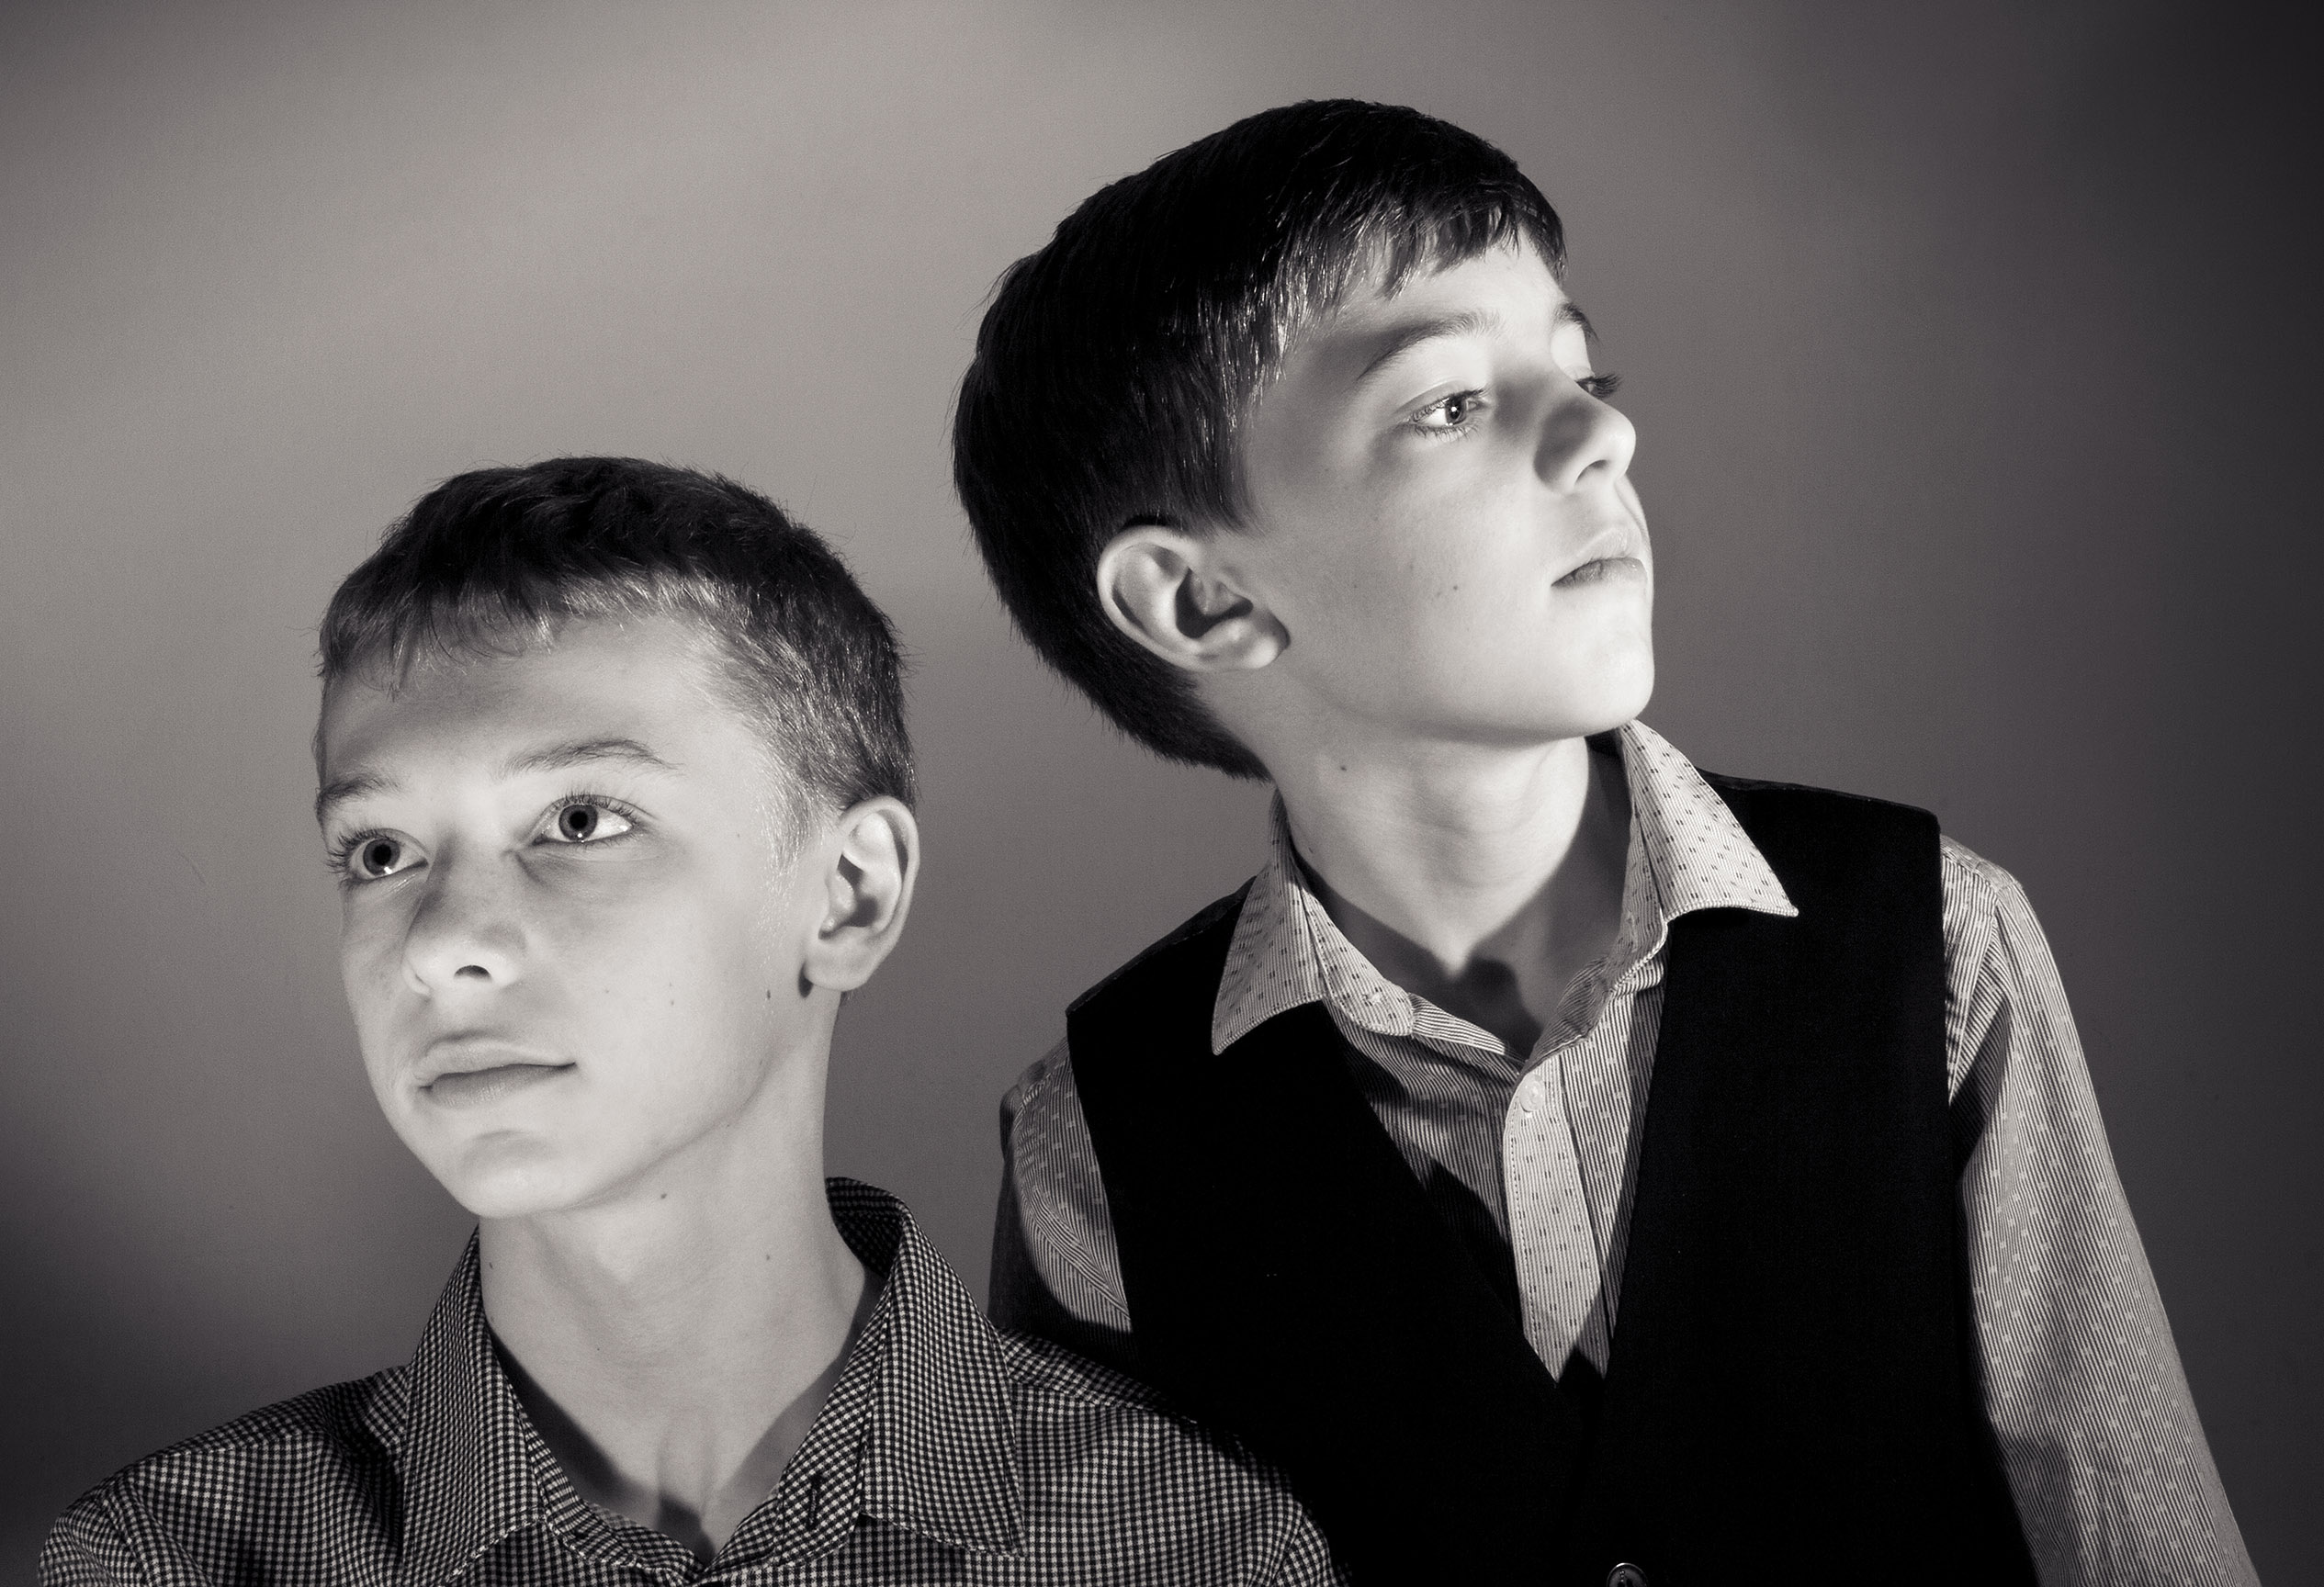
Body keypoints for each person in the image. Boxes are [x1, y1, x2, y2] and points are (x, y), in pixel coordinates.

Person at [953, 100, 2256, 1586]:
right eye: (1449, 403)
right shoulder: (1096, 1137)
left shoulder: (1931, 947)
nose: (1602, 432)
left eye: (1580, 374)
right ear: (1204, 603)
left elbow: (2127, 1526)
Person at [39, 458, 1340, 1586]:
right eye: (380, 851)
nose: (438, 944)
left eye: (579, 821)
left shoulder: (1194, 1546)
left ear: (849, 893)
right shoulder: (171, 1559)